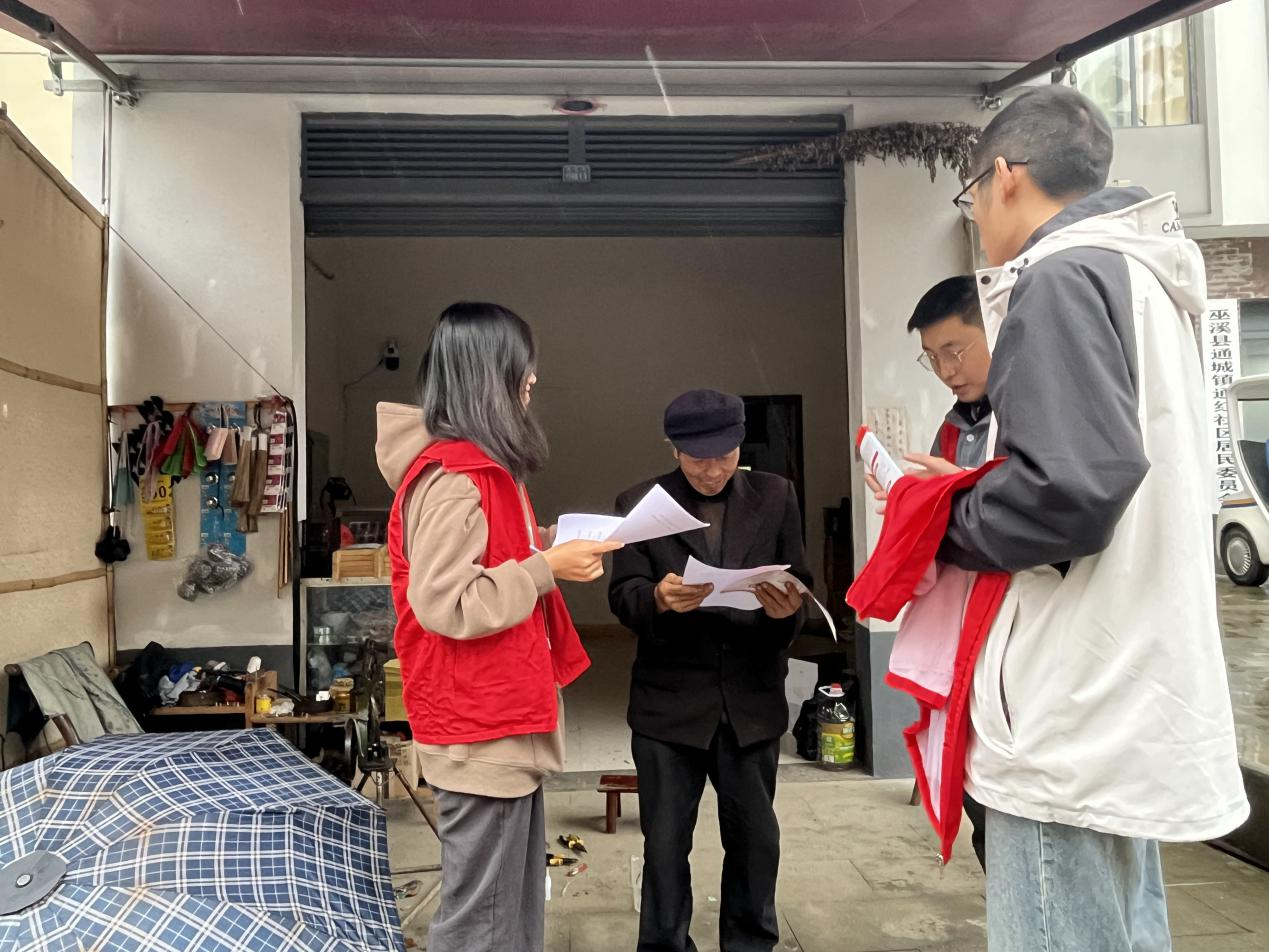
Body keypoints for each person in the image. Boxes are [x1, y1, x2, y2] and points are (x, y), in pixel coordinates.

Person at [908, 85, 1248, 949]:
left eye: (971, 196)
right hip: (1128, 677)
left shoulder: (1058, 277)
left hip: (1070, 697)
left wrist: (942, 512)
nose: (977, 219)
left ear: (1004, 176)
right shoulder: (1143, 275)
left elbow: (1068, 489)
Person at [376, 302, 620, 952]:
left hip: (497, 720)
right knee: (481, 924)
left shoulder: (484, 469)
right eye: (522, 370)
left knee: (509, 912)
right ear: (487, 376)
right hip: (478, 729)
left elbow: (489, 553)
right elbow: (446, 602)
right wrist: (545, 568)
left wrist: (548, 542)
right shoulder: (454, 479)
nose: (531, 381)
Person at [608, 389, 811, 952]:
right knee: (665, 847)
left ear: (741, 444)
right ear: (673, 448)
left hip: (750, 700)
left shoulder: (775, 495)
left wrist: (786, 611)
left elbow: (800, 580)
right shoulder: (640, 503)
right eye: (698, 458)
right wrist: (657, 598)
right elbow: (623, 593)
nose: (712, 469)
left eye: (724, 456)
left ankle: (749, 943)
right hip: (669, 705)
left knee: (756, 842)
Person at [905, 274, 992, 873]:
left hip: (1025, 626)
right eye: (932, 357)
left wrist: (959, 497)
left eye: (955, 350)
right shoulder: (954, 426)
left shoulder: (1034, 410)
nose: (945, 371)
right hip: (967, 632)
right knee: (980, 792)